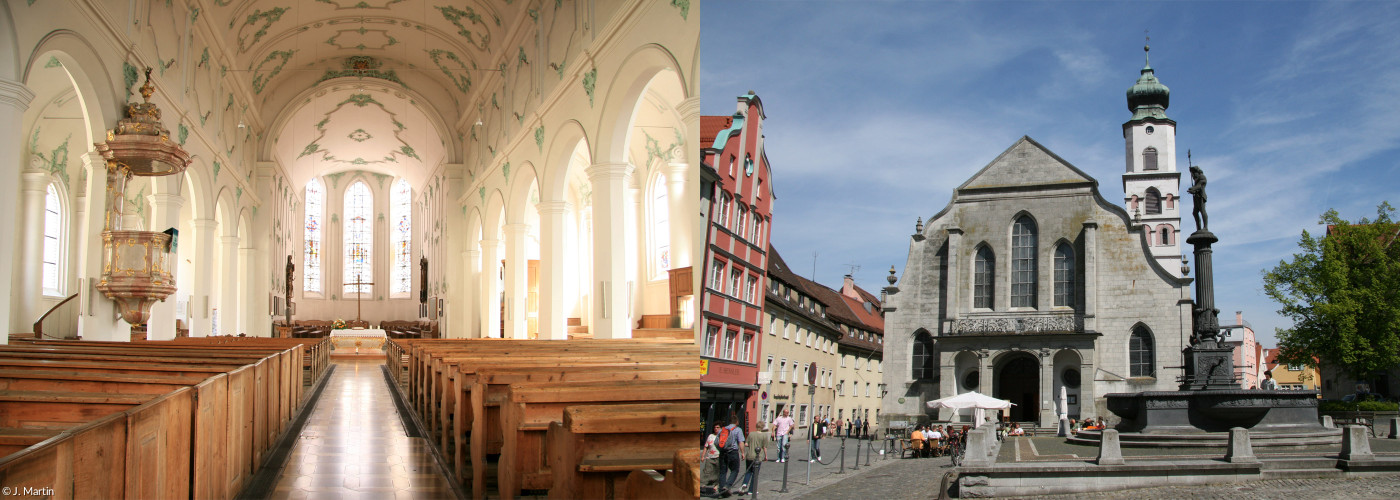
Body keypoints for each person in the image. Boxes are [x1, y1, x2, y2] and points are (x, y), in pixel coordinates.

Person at [741, 421, 771, 494]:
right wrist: (766, 456)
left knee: (748, 471)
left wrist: (751, 445)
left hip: (749, 455)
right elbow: (764, 447)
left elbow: (746, 444)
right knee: (755, 474)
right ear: (763, 427)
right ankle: (751, 490)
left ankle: (744, 484)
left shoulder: (751, 434)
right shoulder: (764, 435)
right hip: (758, 457)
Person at [718, 414, 746, 495]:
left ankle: (721, 491)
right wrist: (743, 453)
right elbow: (741, 442)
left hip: (723, 452)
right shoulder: (738, 430)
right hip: (733, 452)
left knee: (723, 471)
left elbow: (717, 442)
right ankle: (727, 485)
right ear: (737, 422)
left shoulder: (722, 430)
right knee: (735, 470)